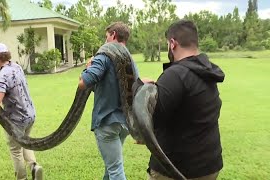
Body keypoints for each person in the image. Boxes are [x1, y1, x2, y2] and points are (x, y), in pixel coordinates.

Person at [142, 20, 225, 179]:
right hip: (209, 166)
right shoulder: (207, 71)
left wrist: (141, 88)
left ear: (172, 44)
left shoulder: (175, 74)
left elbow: (151, 120)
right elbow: (190, 104)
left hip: (177, 170)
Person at [0, 43, 43, 180]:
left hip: (15, 121)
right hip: (30, 115)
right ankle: (34, 167)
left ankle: (22, 178)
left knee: (16, 149)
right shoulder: (15, 67)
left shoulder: (3, 75)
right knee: (25, 141)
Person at [78, 22, 139, 180]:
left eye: (106, 37)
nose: (105, 42)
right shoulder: (130, 60)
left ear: (113, 35)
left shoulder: (103, 56)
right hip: (125, 123)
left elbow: (84, 83)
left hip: (107, 123)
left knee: (115, 169)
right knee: (111, 165)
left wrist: (88, 67)